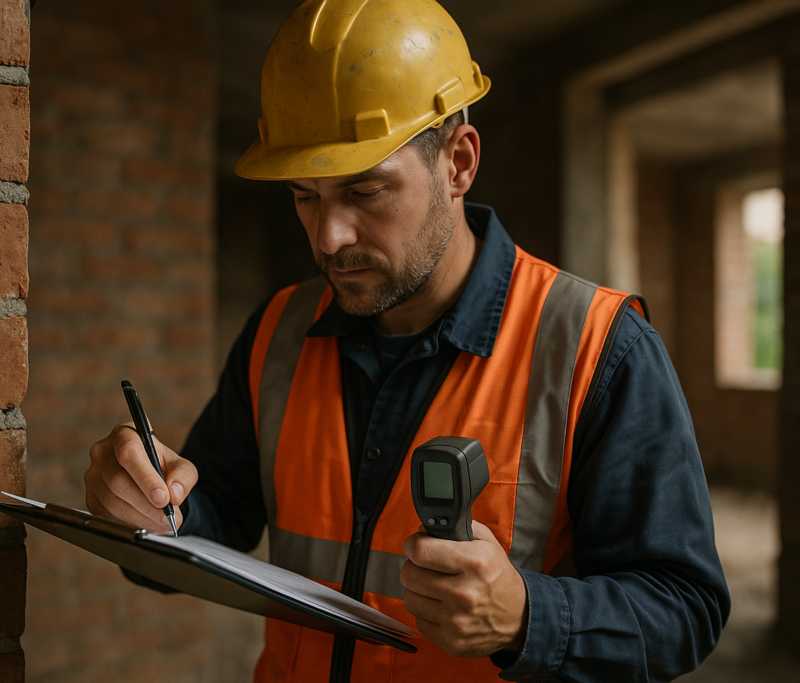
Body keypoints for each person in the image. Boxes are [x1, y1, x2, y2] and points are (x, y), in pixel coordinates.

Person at [84, 0, 730, 680]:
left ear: (458, 161)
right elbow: (217, 519)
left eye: (364, 191)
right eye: (306, 195)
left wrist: (526, 615)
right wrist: (153, 515)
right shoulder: (278, 330)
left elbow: (685, 610)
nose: (329, 237)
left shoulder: (599, 347)